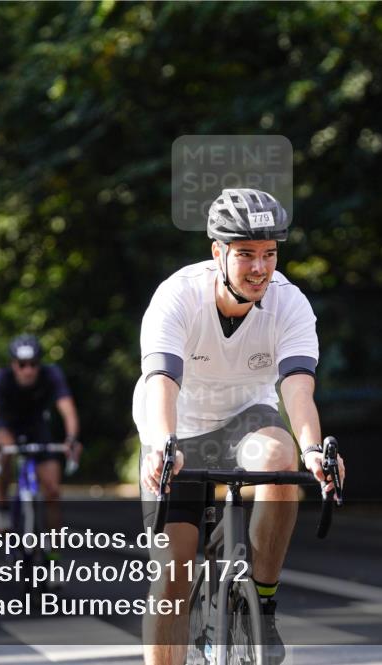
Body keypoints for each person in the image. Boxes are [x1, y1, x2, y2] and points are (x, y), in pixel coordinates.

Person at [135, 188, 346, 665]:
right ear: (218, 253)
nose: (259, 268)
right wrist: (162, 445)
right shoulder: (178, 295)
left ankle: (263, 605)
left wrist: (313, 449)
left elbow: (297, 387)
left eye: (269, 254)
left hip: (245, 421)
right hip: (179, 425)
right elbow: (162, 379)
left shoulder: (289, 303)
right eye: (246, 254)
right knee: (173, 572)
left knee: (280, 457)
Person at [0, 334, 81, 542]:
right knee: (4, 448)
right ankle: (1, 507)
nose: (28, 370)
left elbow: (68, 410)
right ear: (13, 364)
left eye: (33, 364)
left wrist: (71, 439)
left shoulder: (51, 374)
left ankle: (53, 551)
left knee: (53, 491)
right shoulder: (1, 378)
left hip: (37, 427)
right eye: (22, 365)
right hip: (7, 426)